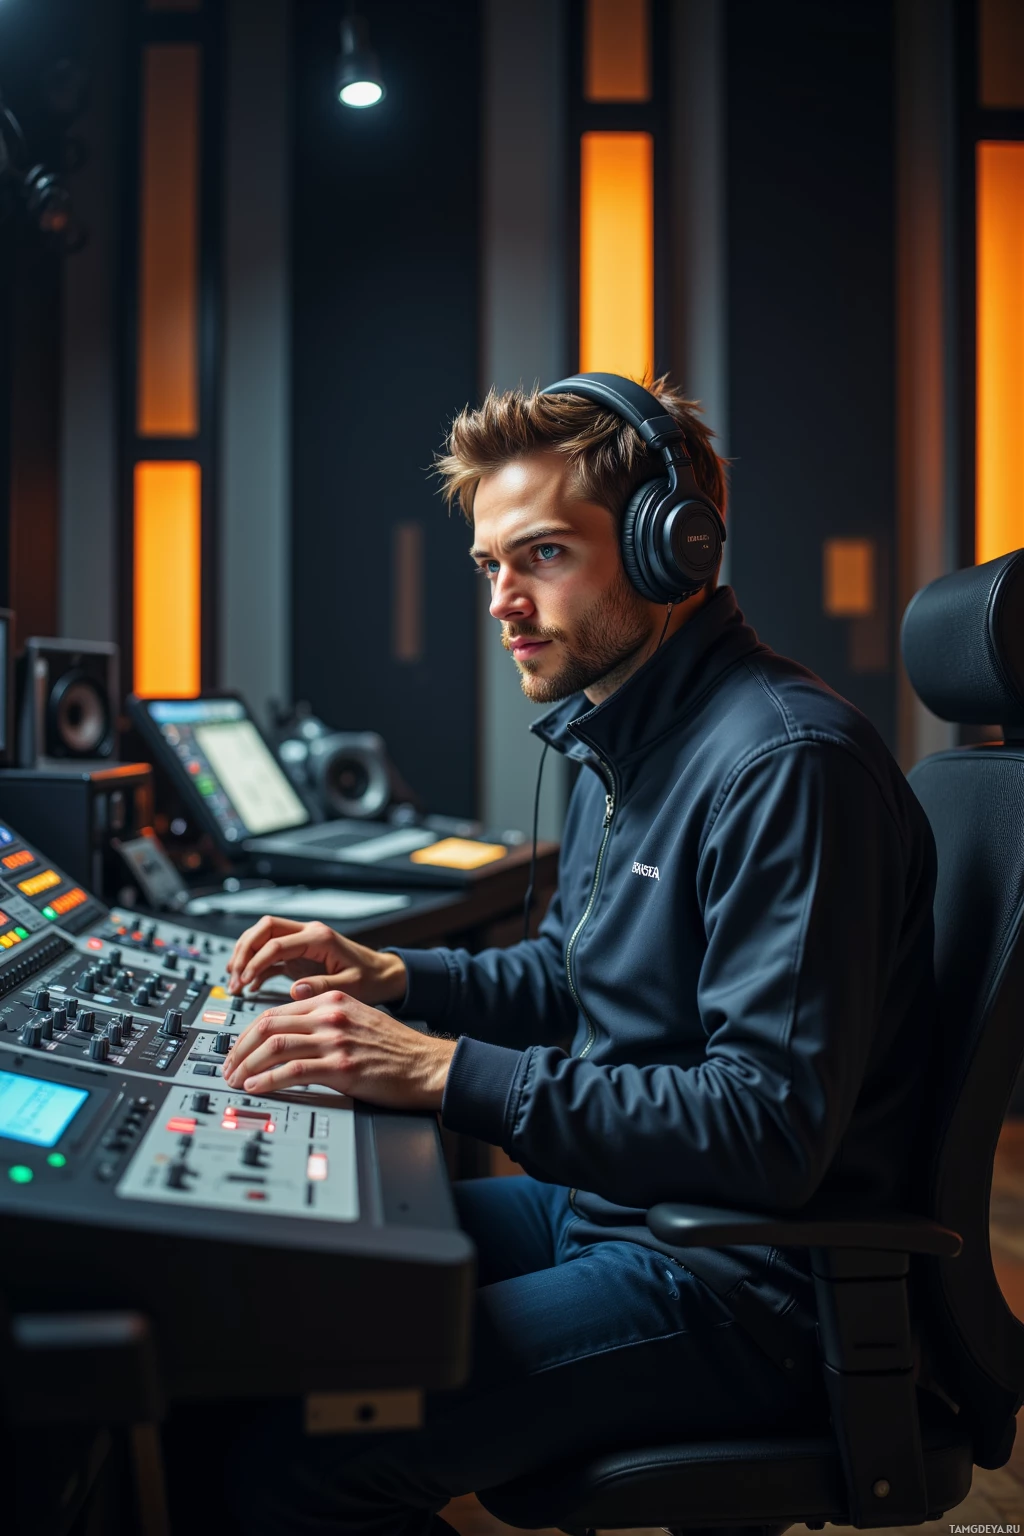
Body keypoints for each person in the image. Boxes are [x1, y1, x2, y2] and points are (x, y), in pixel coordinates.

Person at [223, 377, 937, 1535]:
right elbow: (571, 976)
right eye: (489, 565)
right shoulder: (633, 742)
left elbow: (766, 1128)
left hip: (745, 1283)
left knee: (302, 1448)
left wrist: (444, 1073)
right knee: (265, 1304)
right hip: (619, 1212)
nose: (503, 600)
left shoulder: (786, 766)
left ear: (675, 551)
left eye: (542, 555)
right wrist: (394, 979)